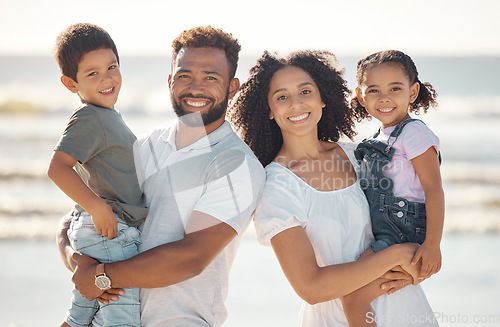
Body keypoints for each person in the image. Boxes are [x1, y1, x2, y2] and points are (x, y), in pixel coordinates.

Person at [56, 26, 265, 326]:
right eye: (184, 75)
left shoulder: (237, 165)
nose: (195, 87)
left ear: (233, 87)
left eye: (211, 77)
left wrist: (100, 277)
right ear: (170, 81)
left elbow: (190, 258)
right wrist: (76, 261)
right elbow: (76, 219)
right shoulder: (142, 146)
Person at [228, 50, 438, 326]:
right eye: (281, 97)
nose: (296, 104)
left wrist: (417, 267)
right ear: (268, 109)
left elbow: (414, 207)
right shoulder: (276, 187)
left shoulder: (361, 155)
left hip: (406, 309)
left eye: (305, 91)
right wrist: (396, 256)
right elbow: (312, 288)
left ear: (322, 97)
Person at [48, 23, 147, 327]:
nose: (106, 78)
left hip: (104, 230)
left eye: (112, 67)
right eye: (92, 73)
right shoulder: (90, 117)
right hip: (110, 232)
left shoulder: (105, 115)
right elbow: (57, 168)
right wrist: (97, 207)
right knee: (121, 318)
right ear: (70, 83)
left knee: (83, 316)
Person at [342, 49, 444, 325]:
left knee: (352, 295)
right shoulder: (377, 137)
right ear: (361, 96)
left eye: (395, 88)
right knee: (357, 290)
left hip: (401, 232)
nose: (384, 98)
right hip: (385, 232)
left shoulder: (414, 133)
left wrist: (433, 245)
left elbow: (434, 189)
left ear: (412, 93)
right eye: (373, 90)